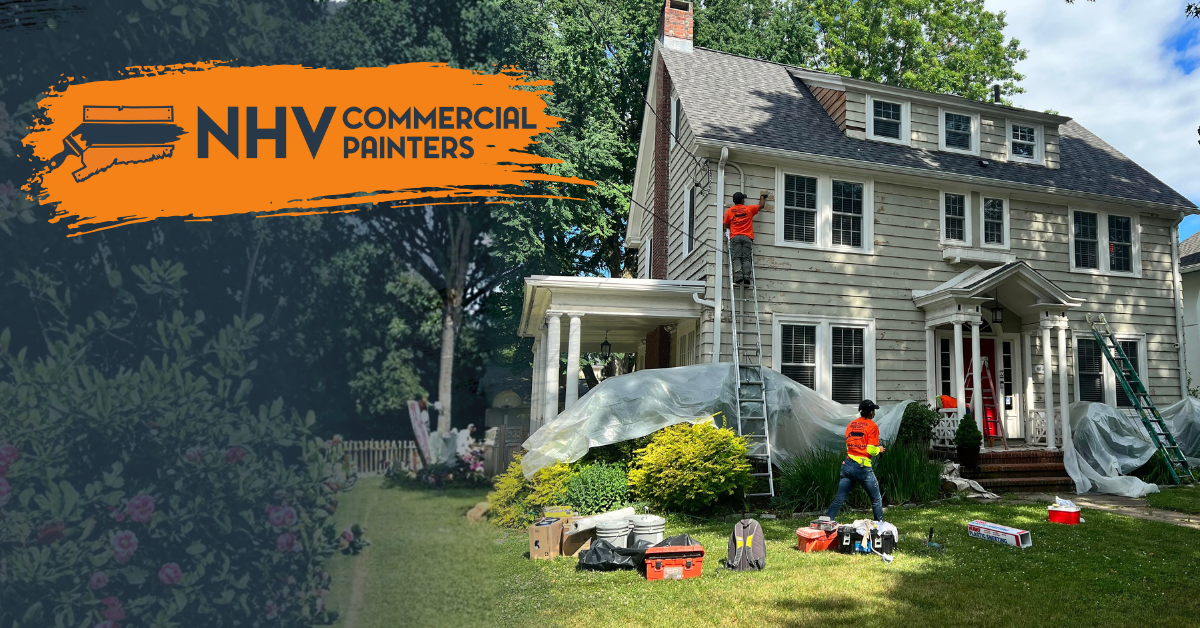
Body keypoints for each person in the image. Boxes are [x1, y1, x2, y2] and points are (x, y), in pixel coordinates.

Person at [823, 400, 887, 522]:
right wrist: (879, 449)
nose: (874, 413)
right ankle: (880, 526)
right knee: (876, 499)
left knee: (839, 499)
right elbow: (871, 450)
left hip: (847, 464)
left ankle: (825, 522)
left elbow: (848, 444)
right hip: (862, 468)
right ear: (871, 413)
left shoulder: (851, 424)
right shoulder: (872, 426)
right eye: (873, 411)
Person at [723, 191, 771, 285]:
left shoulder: (729, 211)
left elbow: (725, 224)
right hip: (747, 237)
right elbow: (761, 205)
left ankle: (738, 276)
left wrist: (733, 225)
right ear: (742, 200)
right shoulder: (749, 209)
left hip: (735, 237)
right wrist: (762, 197)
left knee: (736, 257)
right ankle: (746, 277)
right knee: (746, 258)